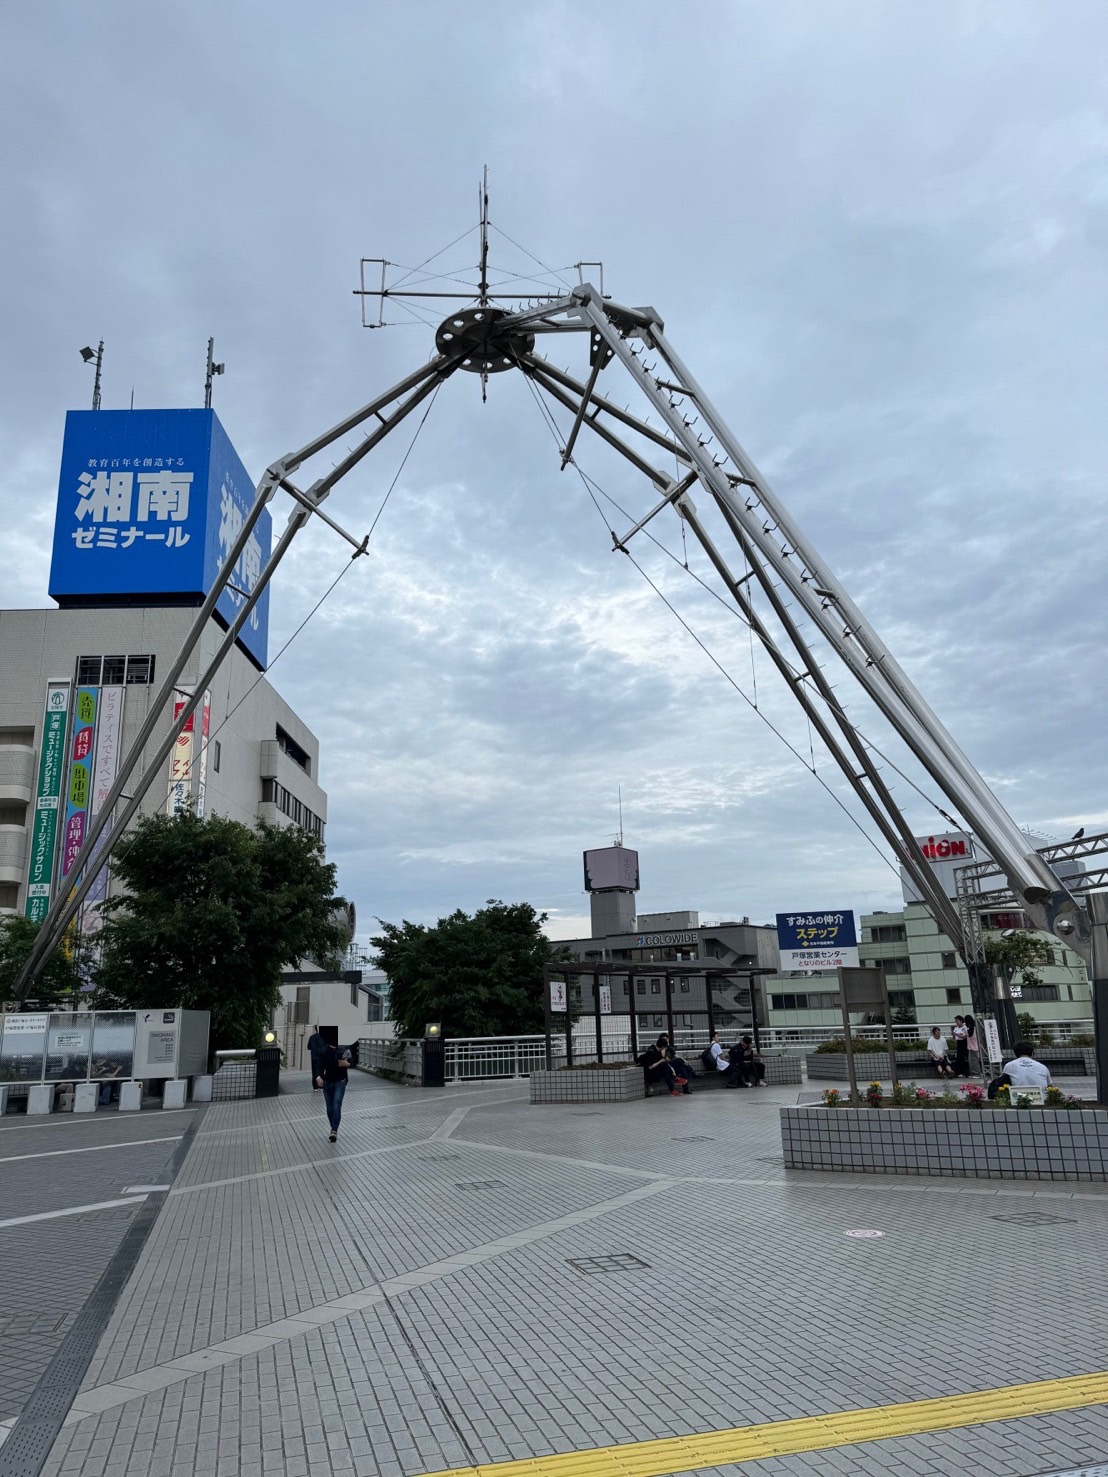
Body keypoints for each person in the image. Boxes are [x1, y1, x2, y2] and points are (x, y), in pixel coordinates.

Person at [314, 1040, 352, 1141]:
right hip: (328, 1081)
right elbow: (319, 1066)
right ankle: (333, 1127)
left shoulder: (344, 1050)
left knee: (336, 1104)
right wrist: (318, 1077)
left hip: (341, 1081)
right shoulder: (323, 1051)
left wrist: (347, 1064)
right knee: (330, 1108)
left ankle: (334, 1131)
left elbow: (352, 1061)